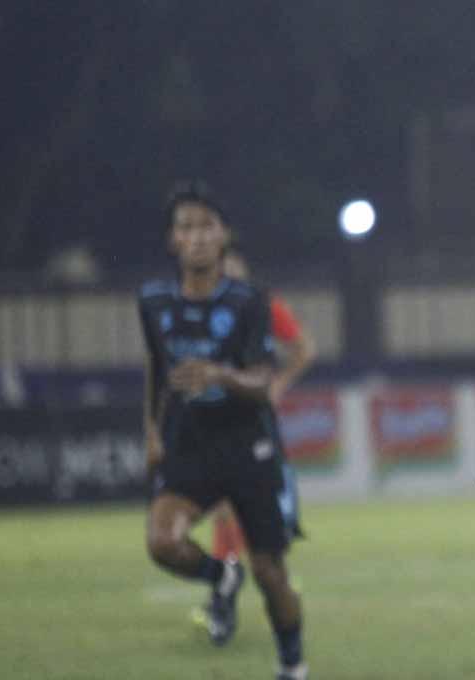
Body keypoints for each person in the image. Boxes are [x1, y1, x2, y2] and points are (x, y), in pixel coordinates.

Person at [139, 181, 307, 680]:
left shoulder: (251, 302)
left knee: (271, 574)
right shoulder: (151, 302)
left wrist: (219, 375)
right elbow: (155, 366)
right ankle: (221, 576)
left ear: (224, 235)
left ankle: (292, 666)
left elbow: (261, 380)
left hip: (247, 446)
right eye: (186, 227)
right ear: (173, 239)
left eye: (206, 226)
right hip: (190, 442)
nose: (196, 237)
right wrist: (151, 428)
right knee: (162, 543)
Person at [205, 249, 316, 566]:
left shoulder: (266, 306)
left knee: (245, 500)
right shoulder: (203, 311)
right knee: (223, 503)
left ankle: (243, 574)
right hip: (213, 415)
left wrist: (279, 385)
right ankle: (227, 578)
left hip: (253, 416)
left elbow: (304, 349)